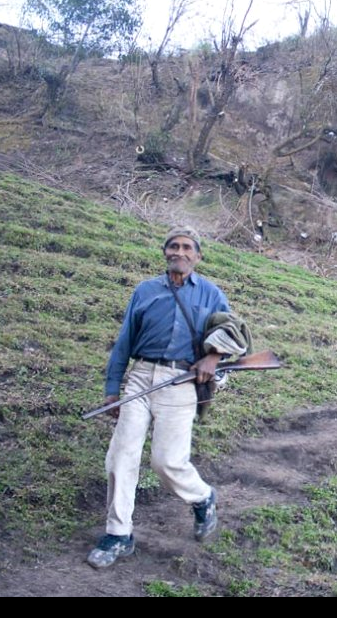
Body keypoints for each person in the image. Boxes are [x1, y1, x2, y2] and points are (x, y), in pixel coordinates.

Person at [86, 226, 229, 569]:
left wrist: (213, 358)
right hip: (140, 377)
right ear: (165, 252)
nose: (180, 252)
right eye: (174, 246)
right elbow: (124, 341)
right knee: (121, 456)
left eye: (187, 247)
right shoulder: (145, 290)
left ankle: (202, 497)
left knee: (166, 462)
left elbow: (232, 333)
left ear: (197, 256)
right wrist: (112, 389)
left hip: (181, 382)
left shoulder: (211, 294)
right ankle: (119, 534)